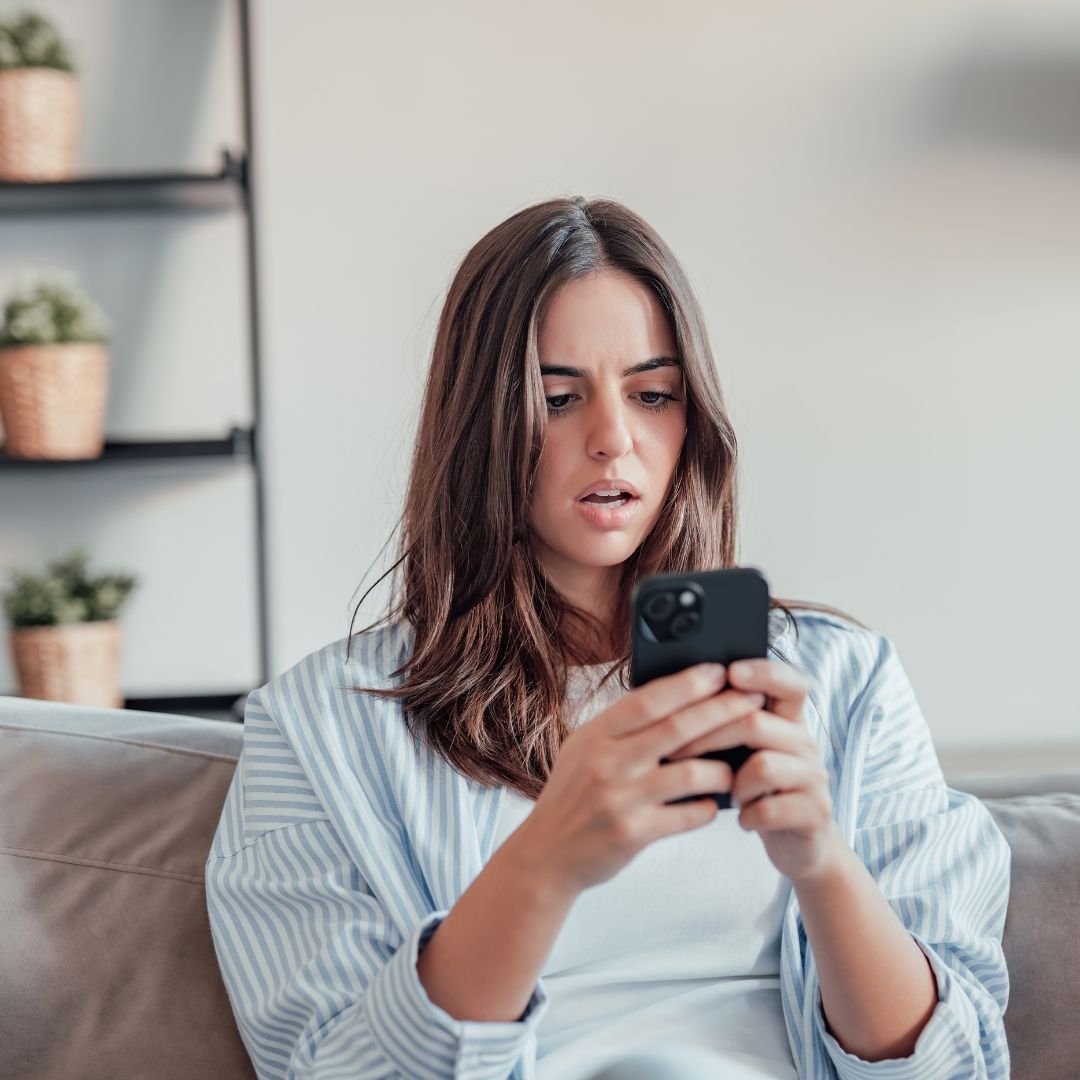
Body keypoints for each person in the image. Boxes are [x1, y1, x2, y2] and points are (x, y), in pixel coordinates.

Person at [204, 196, 1011, 1080]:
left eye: (653, 393)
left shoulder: (847, 686)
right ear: (480, 425)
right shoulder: (318, 730)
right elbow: (338, 1070)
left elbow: (960, 1065)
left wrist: (823, 865)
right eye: (558, 399)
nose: (614, 439)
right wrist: (547, 858)